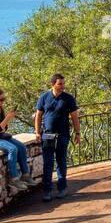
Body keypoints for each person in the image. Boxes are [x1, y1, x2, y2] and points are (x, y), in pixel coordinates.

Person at [34, 73, 81, 202]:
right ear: (53, 84)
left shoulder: (68, 98)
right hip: (47, 135)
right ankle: (47, 191)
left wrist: (77, 133)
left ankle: (62, 188)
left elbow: (74, 117)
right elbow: (38, 115)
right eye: (60, 84)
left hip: (63, 135)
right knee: (48, 163)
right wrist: (37, 132)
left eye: (63, 83)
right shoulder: (44, 97)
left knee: (61, 161)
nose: (62, 86)